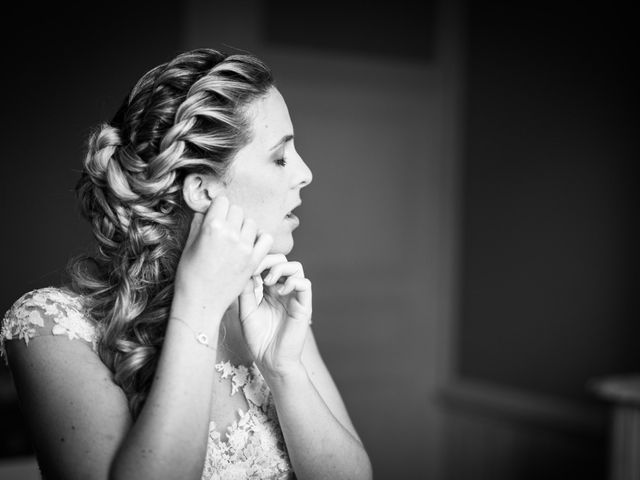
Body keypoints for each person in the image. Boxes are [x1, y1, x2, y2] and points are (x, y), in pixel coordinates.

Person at [0, 48, 372, 480]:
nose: (305, 173)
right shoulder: (51, 328)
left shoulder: (266, 306)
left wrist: (283, 369)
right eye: (281, 156)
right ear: (202, 190)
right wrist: (197, 308)